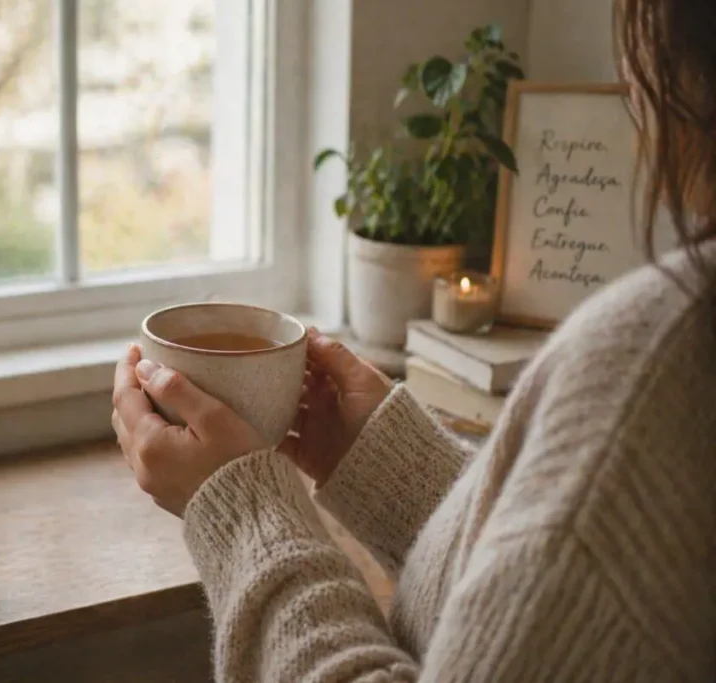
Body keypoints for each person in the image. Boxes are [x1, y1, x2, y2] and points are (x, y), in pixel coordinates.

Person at [111, 0, 716, 679]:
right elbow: (549, 597)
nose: (632, 78)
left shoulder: (663, 363)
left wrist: (242, 510)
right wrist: (382, 466)